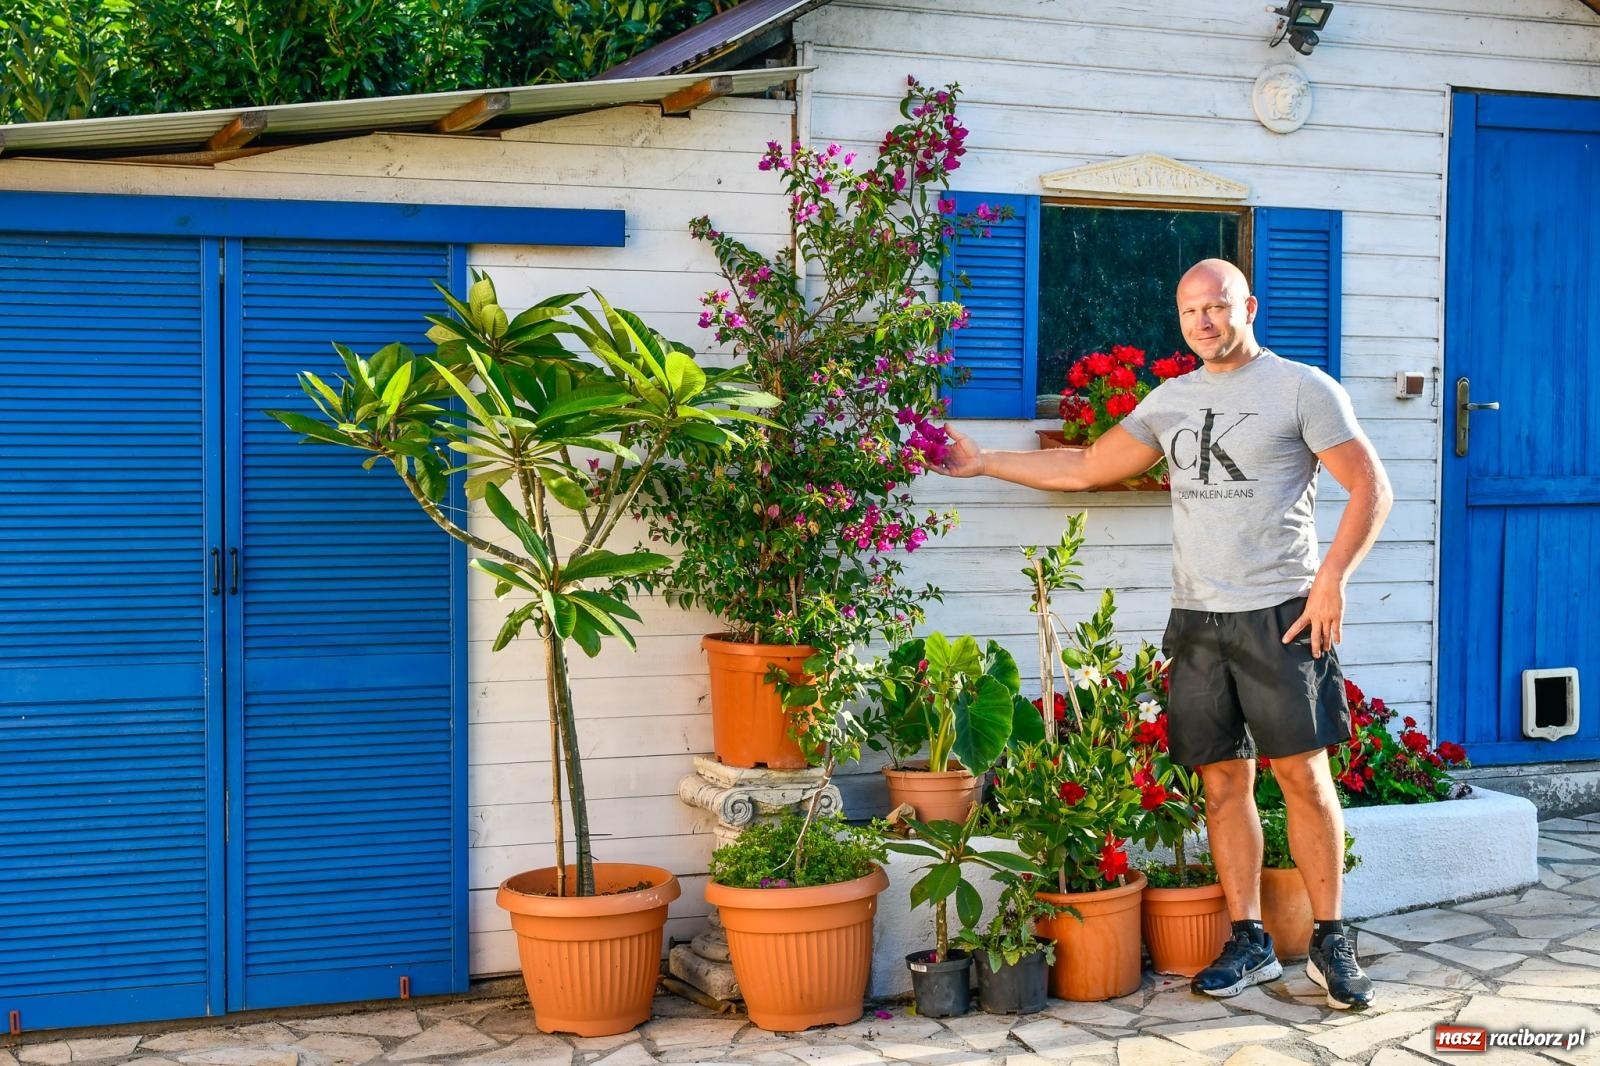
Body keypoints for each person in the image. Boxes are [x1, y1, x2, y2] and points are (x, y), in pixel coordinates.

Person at [933, 258, 1393, 1011]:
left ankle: (1330, 937)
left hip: (1283, 612)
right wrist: (985, 462)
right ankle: (1248, 941)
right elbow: (1086, 466)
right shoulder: (1171, 399)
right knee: (1221, 782)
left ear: (1248, 305)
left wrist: (1332, 578)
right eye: (1189, 312)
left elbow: (1372, 485)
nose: (1204, 321)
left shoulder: (1303, 388)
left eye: (1216, 306)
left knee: (1302, 778)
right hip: (1198, 620)